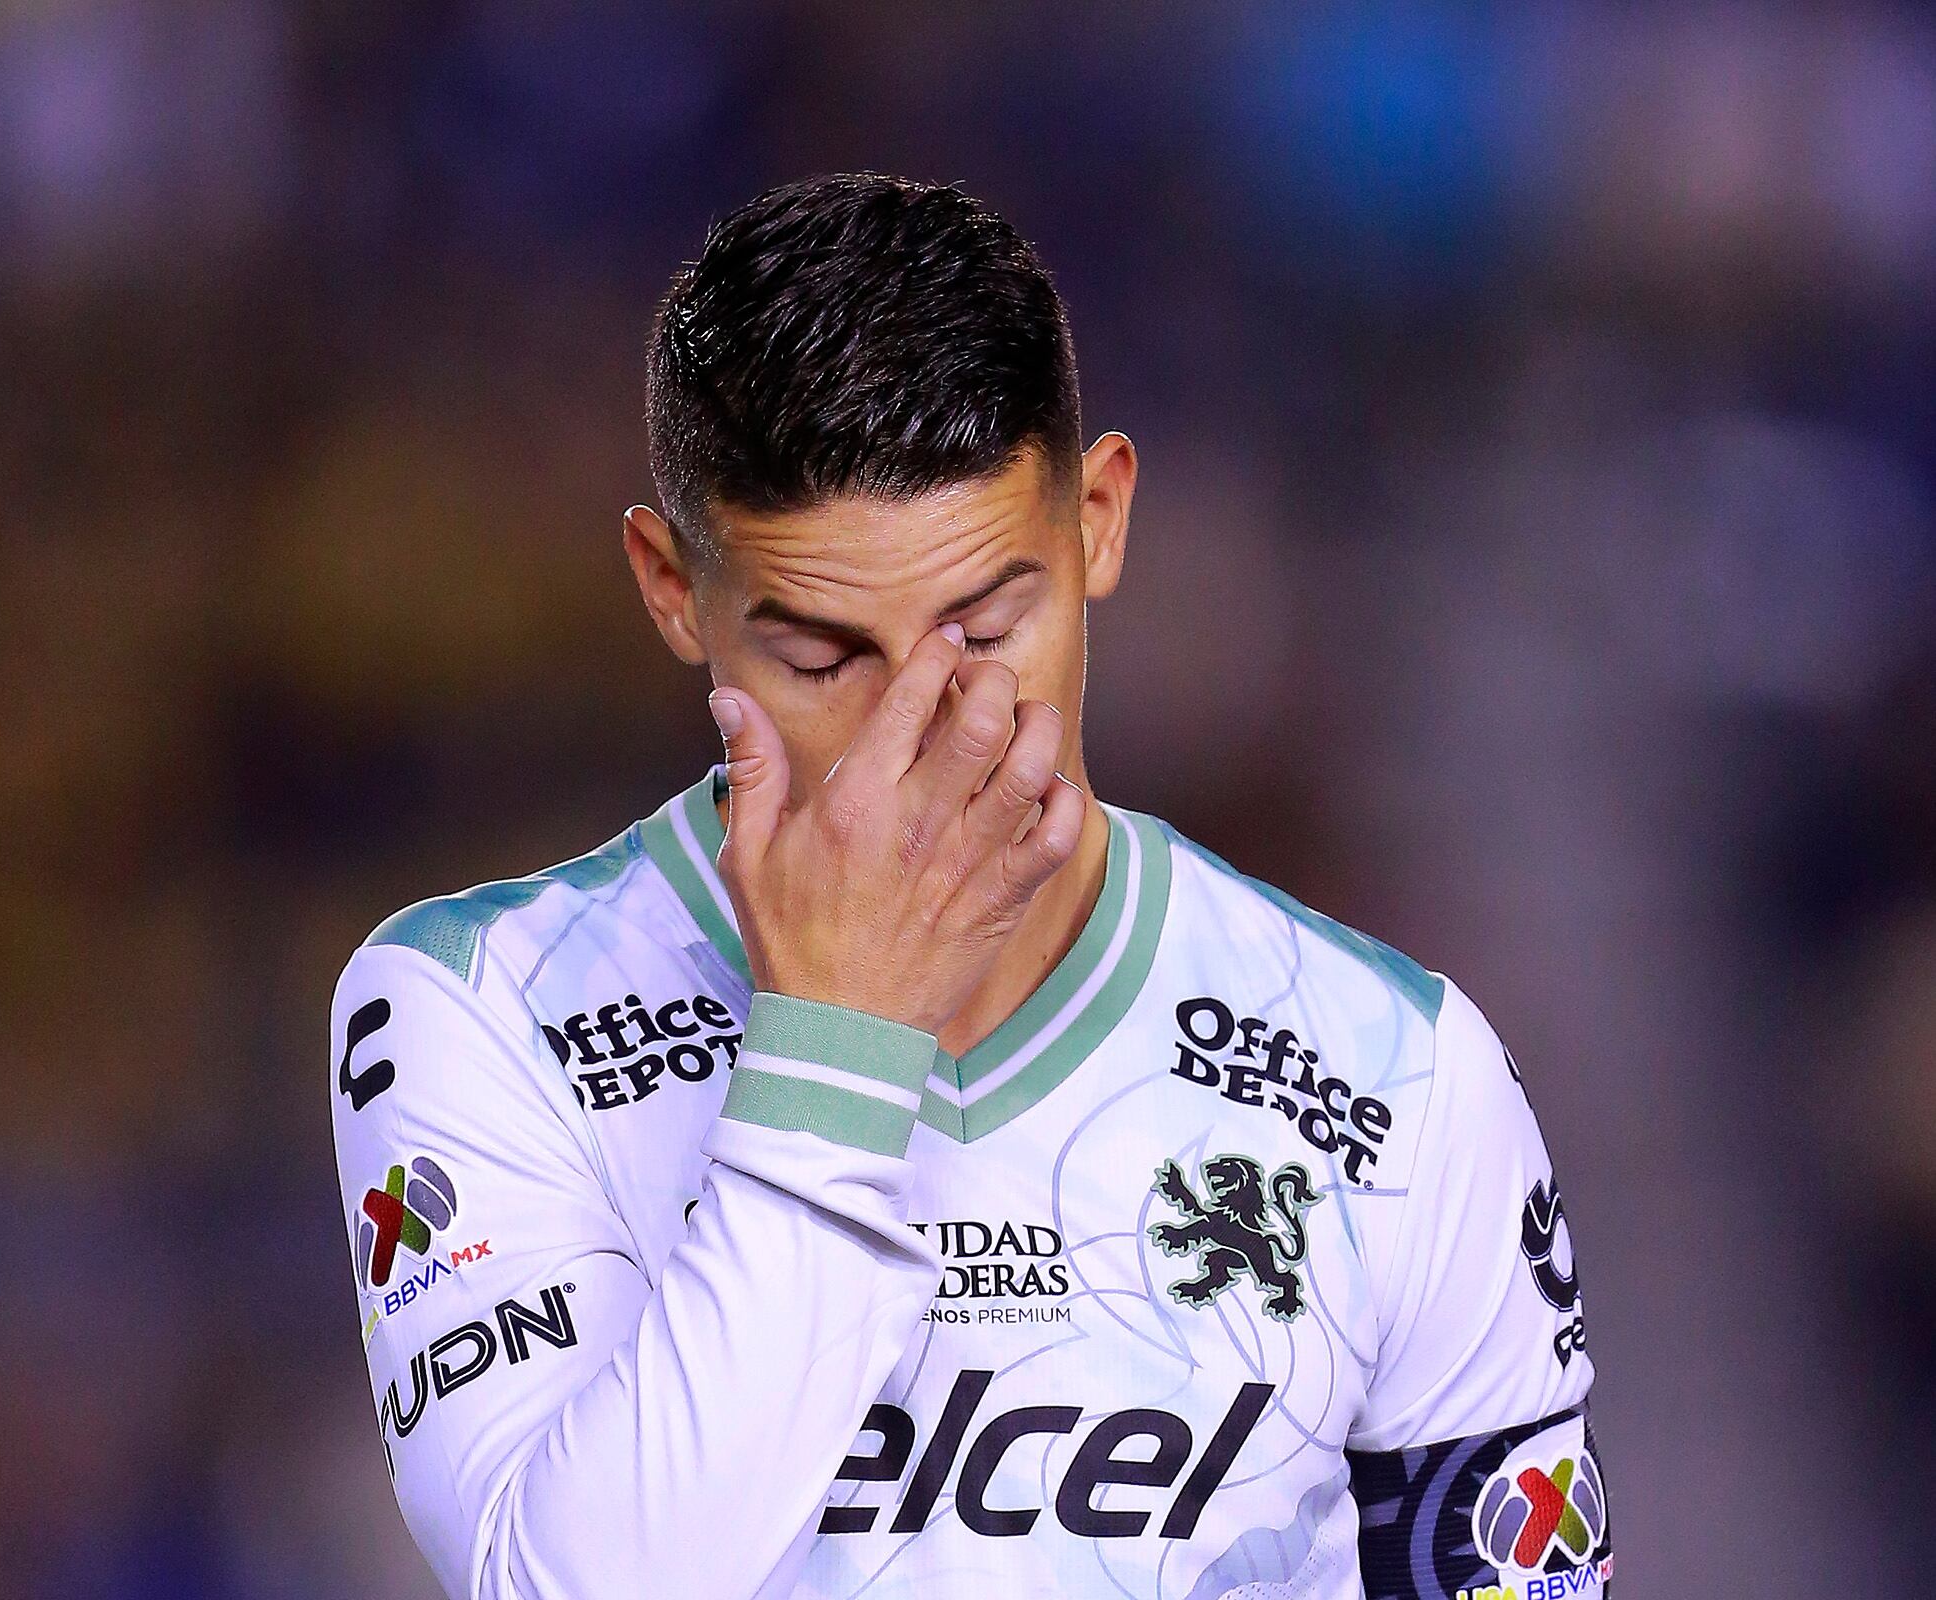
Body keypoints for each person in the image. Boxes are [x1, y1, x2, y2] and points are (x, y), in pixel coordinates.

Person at [327, 172, 1609, 1600]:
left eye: (986, 628)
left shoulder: (1402, 1075)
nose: (920, 731)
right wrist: (835, 1051)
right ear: (671, 589)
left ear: (1102, 522)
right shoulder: (480, 1007)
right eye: (821, 660)